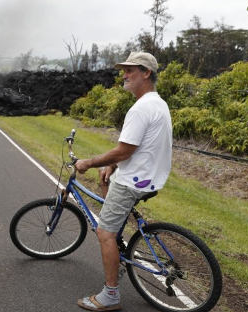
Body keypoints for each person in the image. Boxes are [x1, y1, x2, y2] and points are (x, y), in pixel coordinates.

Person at [75, 51, 172, 311]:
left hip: (133, 180)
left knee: (104, 232)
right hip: (149, 176)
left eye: (130, 70)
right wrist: (111, 165)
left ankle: (110, 296)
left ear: (146, 73)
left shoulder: (141, 108)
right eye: (124, 70)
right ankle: (117, 255)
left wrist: (88, 162)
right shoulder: (158, 103)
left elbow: (124, 150)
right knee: (108, 194)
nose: (124, 75)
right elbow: (139, 147)